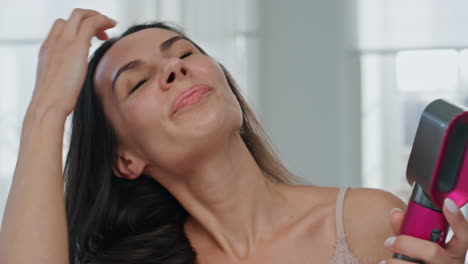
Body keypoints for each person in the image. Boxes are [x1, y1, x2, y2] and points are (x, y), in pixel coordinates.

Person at [1, 8, 467, 264]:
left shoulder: (368, 222)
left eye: (183, 52)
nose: (174, 68)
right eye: (138, 82)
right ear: (125, 159)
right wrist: (46, 109)